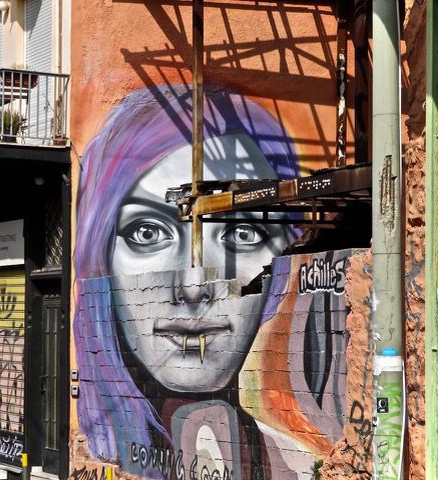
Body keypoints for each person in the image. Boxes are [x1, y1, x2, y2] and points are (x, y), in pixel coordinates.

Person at [74, 85, 305, 479]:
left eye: (243, 234)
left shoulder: (296, 463)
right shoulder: (98, 447)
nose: (195, 287)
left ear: (282, 265)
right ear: (100, 259)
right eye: (147, 233)